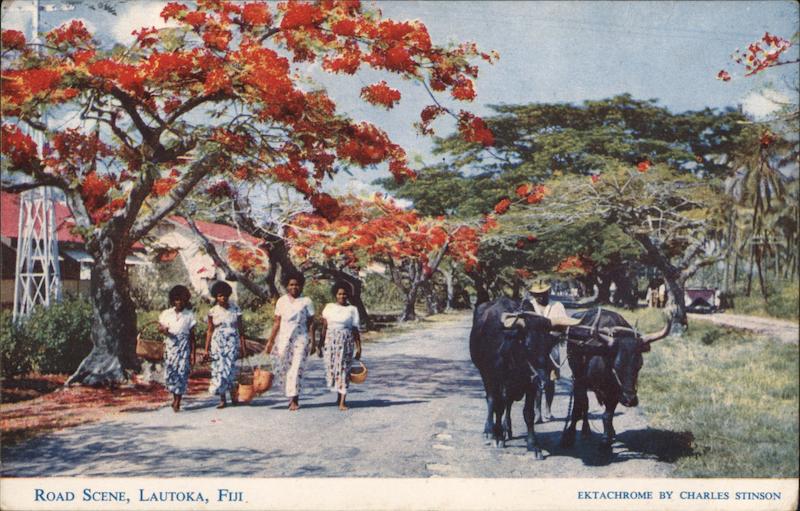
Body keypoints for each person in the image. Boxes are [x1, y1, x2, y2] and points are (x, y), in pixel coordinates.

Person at [527, 279, 580, 422]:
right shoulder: (528, 306)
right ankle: (537, 411)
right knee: (535, 380)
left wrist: (554, 333)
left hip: (552, 345)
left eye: (543, 293)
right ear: (532, 294)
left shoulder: (557, 306)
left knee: (551, 380)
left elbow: (563, 325)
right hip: (534, 348)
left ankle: (548, 410)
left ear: (548, 292)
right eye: (537, 294)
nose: (541, 296)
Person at [265, 272, 315, 411]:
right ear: (287, 286)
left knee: (297, 368)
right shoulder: (281, 301)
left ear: (301, 286)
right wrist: (270, 341)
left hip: (301, 338)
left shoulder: (306, 301)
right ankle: (290, 396)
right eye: (291, 285)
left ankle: (294, 399)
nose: (294, 287)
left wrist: (313, 341)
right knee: (285, 369)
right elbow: (276, 323)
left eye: (297, 285)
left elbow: (311, 323)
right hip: (284, 339)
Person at [319, 281, 362, 411]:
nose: (342, 296)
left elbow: (355, 330)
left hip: (346, 342)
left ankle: (343, 400)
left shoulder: (352, 309)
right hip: (330, 342)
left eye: (344, 294)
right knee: (333, 369)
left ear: (348, 295)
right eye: (339, 294)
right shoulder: (329, 307)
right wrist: (319, 344)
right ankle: (339, 396)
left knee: (344, 369)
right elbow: (324, 327)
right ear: (335, 295)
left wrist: (359, 348)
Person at [204, 281, 246, 409]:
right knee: (219, 370)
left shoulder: (235, 309)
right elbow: (210, 330)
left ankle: (234, 395)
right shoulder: (212, 311)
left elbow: (241, 329)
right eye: (220, 295)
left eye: (225, 295)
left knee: (230, 369)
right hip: (217, 343)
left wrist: (243, 346)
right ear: (216, 297)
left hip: (232, 342)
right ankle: (222, 399)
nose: (223, 298)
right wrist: (206, 350)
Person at [158, 285, 197, 412]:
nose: (179, 302)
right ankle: (174, 396)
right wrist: (163, 330)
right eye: (176, 300)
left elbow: (192, 336)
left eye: (181, 300)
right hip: (170, 347)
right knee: (171, 373)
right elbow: (160, 328)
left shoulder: (189, 315)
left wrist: (193, 353)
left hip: (184, 348)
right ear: (173, 300)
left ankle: (177, 400)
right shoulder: (166, 314)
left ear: (185, 300)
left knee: (182, 373)